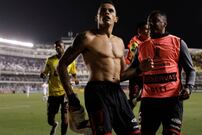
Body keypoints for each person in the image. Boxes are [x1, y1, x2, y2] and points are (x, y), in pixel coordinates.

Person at [57, 1, 153, 135]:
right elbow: (61, 65)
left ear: (116, 18)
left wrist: (139, 69)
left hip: (117, 92)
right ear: (97, 17)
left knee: (135, 133)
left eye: (110, 11)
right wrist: (71, 95)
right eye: (103, 10)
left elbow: (122, 75)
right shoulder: (86, 37)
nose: (107, 12)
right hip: (97, 92)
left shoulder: (120, 42)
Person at [136, 10, 196, 135]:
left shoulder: (178, 42)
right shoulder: (141, 47)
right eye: (149, 22)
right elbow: (133, 71)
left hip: (172, 101)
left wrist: (188, 88)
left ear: (165, 24)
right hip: (149, 102)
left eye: (155, 21)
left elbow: (190, 70)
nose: (151, 25)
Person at [40, 40, 79, 135]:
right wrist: (43, 75)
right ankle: (54, 125)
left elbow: (74, 73)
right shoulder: (50, 60)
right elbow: (45, 73)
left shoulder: (70, 60)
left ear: (63, 47)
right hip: (53, 92)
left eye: (59, 46)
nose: (57, 48)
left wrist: (75, 79)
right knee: (50, 119)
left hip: (65, 92)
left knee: (65, 118)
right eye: (56, 46)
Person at [125, 21, 150, 109]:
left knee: (147, 98)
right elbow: (130, 57)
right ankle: (125, 116)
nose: (148, 31)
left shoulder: (151, 40)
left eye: (148, 29)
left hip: (148, 76)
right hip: (136, 75)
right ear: (139, 31)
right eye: (145, 29)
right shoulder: (134, 42)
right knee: (133, 101)